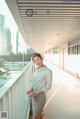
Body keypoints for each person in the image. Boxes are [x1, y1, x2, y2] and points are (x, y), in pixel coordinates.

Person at [26, 53, 52, 119]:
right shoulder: (36, 70)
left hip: (40, 97)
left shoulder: (48, 71)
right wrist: (31, 88)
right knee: (38, 115)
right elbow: (33, 82)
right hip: (33, 97)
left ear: (41, 58)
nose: (37, 62)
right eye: (35, 61)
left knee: (35, 117)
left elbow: (48, 86)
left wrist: (36, 93)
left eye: (38, 59)